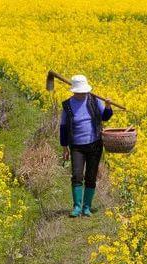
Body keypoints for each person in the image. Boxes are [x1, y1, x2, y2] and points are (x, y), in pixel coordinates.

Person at [59, 75, 113, 217]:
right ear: (73, 91)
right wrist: (64, 147)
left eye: (83, 91)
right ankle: (77, 207)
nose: (81, 93)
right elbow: (63, 127)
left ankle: (87, 207)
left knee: (91, 176)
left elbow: (105, 117)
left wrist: (108, 107)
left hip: (95, 144)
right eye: (79, 91)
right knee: (77, 175)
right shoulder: (67, 105)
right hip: (76, 146)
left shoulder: (94, 100)